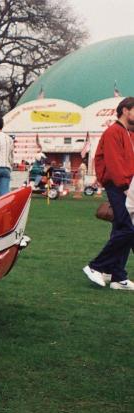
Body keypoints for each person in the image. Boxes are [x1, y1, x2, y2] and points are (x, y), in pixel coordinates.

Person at [83, 96, 134, 291]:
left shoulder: (128, 134)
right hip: (119, 186)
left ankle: (117, 276)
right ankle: (95, 266)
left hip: (127, 186)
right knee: (127, 229)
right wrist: (124, 185)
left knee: (124, 230)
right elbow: (114, 163)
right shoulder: (113, 132)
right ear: (125, 110)